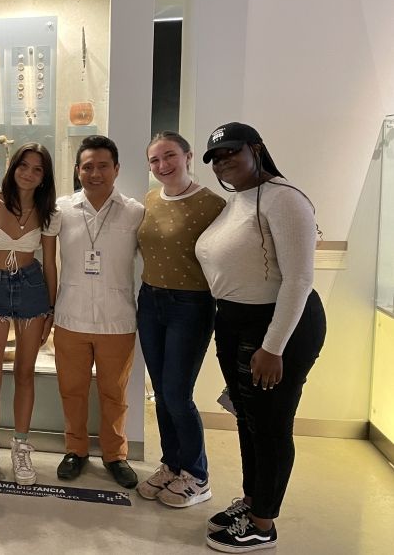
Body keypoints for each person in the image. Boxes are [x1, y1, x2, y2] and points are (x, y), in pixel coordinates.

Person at [196, 122, 325, 553]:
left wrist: (274, 346)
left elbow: (299, 279)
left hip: (275, 325)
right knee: (248, 420)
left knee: (269, 426)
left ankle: (262, 525)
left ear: (256, 149)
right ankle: (252, 502)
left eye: (231, 152)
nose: (222, 162)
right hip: (235, 320)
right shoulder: (240, 198)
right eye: (215, 158)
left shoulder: (284, 199)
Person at [135, 131, 225, 505]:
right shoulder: (150, 200)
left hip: (191, 305)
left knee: (176, 392)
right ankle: (172, 465)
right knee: (160, 392)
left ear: (188, 156)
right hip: (150, 300)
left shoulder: (213, 205)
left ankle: (197, 475)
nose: (162, 166)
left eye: (169, 156)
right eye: (155, 160)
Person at [51, 135, 144, 489]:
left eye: (103, 166)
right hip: (70, 316)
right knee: (71, 389)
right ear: (78, 171)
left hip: (117, 319)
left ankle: (115, 455)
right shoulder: (62, 209)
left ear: (116, 169)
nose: (95, 173)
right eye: (87, 167)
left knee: (114, 393)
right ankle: (75, 450)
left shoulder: (135, 212)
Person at [0, 142, 59, 487]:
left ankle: (20, 446)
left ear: (44, 177)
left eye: (38, 169)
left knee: (25, 373)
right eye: (24, 166)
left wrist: (51, 307)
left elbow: (50, 264)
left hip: (31, 289)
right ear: (13, 166)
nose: (29, 174)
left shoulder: (48, 211)